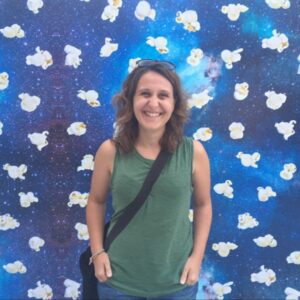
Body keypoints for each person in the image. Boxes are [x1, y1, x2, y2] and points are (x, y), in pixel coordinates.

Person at [86, 59, 212, 300]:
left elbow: (203, 205)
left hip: (177, 283)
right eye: (145, 93)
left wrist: (197, 258)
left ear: (174, 103)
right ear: (131, 100)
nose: (153, 103)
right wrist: (98, 252)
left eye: (163, 95)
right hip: (118, 283)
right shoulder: (110, 151)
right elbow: (96, 201)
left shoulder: (193, 152)